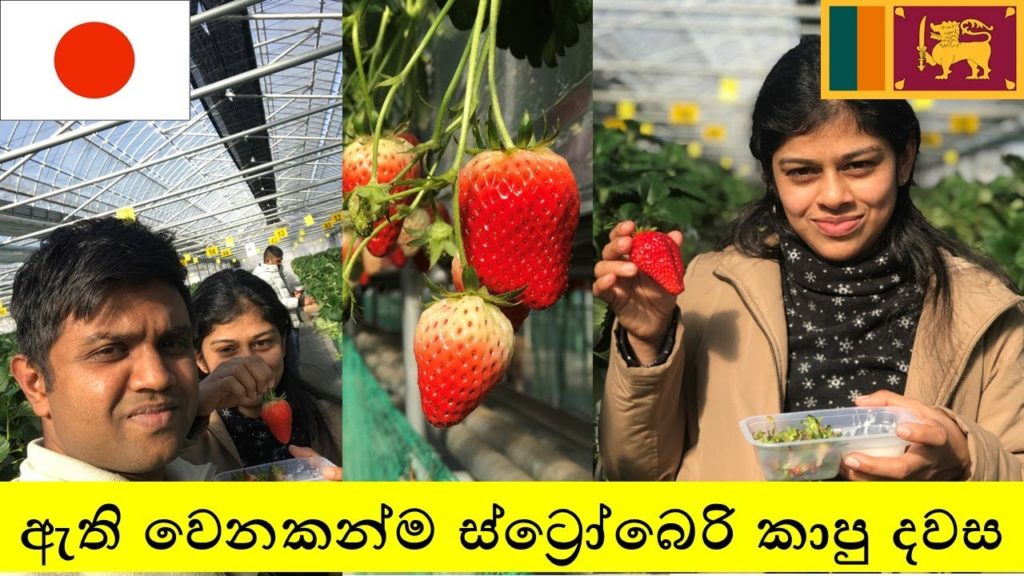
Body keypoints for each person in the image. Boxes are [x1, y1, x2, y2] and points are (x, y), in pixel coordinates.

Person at [596, 36, 1024, 481]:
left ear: (904, 159)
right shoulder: (711, 292)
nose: (833, 196)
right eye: (802, 172)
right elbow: (636, 473)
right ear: (771, 176)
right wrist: (648, 344)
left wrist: (965, 456)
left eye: (859, 165)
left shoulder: (982, 312)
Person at [9, 217, 340, 484]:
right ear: (35, 384)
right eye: (110, 350)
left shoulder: (192, 480)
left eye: (171, 344)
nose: (157, 377)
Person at [180, 269, 341, 472]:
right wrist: (194, 411)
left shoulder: (336, 422)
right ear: (200, 360)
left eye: (262, 343)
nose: (248, 363)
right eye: (227, 349)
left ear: (283, 343)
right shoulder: (184, 441)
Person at [252, 245, 314, 362]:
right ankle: (293, 374)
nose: (280, 263)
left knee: (294, 355)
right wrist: (301, 301)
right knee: (292, 357)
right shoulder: (263, 276)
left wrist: (293, 292)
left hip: (290, 319)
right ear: (268, 260)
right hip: (283, 323)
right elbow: (276, 302)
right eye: (278, 260)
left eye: (281, 260)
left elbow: (282, 289)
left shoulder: (277, 270)